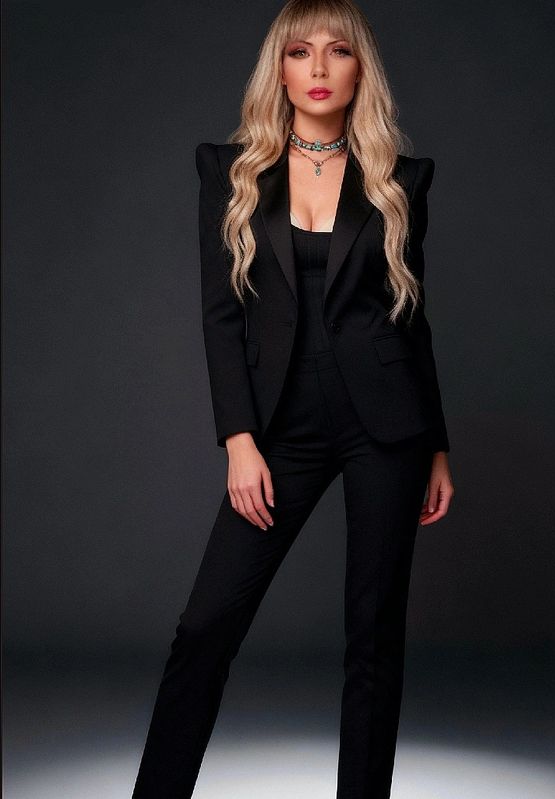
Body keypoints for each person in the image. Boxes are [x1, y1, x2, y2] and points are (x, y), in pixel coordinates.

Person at [132, 1, 455, 796]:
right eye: (300, 52)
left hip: (388, 426)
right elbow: (220, 315)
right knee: (205, 627)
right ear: (278, 68)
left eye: (336, 53)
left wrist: (438, 444)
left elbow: (411, 318)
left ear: (359, 70)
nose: (317, 69)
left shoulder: (400, 179)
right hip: (282, 427)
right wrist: (238, 439)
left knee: (373, 636)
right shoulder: (231, 170)